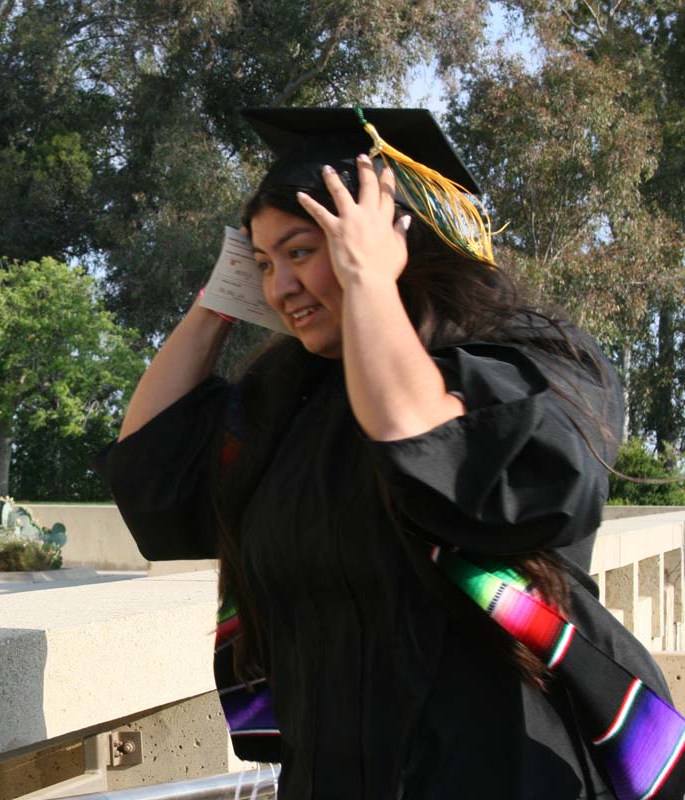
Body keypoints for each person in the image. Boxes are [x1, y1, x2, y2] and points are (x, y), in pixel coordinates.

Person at [94, 107, 676, 799]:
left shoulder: (522, 364)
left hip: (499, 771)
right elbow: (154, 470)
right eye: (261, 263)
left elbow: (427, 443)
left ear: (392, 240)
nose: (279, 288)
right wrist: (220, 300)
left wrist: (369, 282)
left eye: (302, 251)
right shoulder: (289, 404)